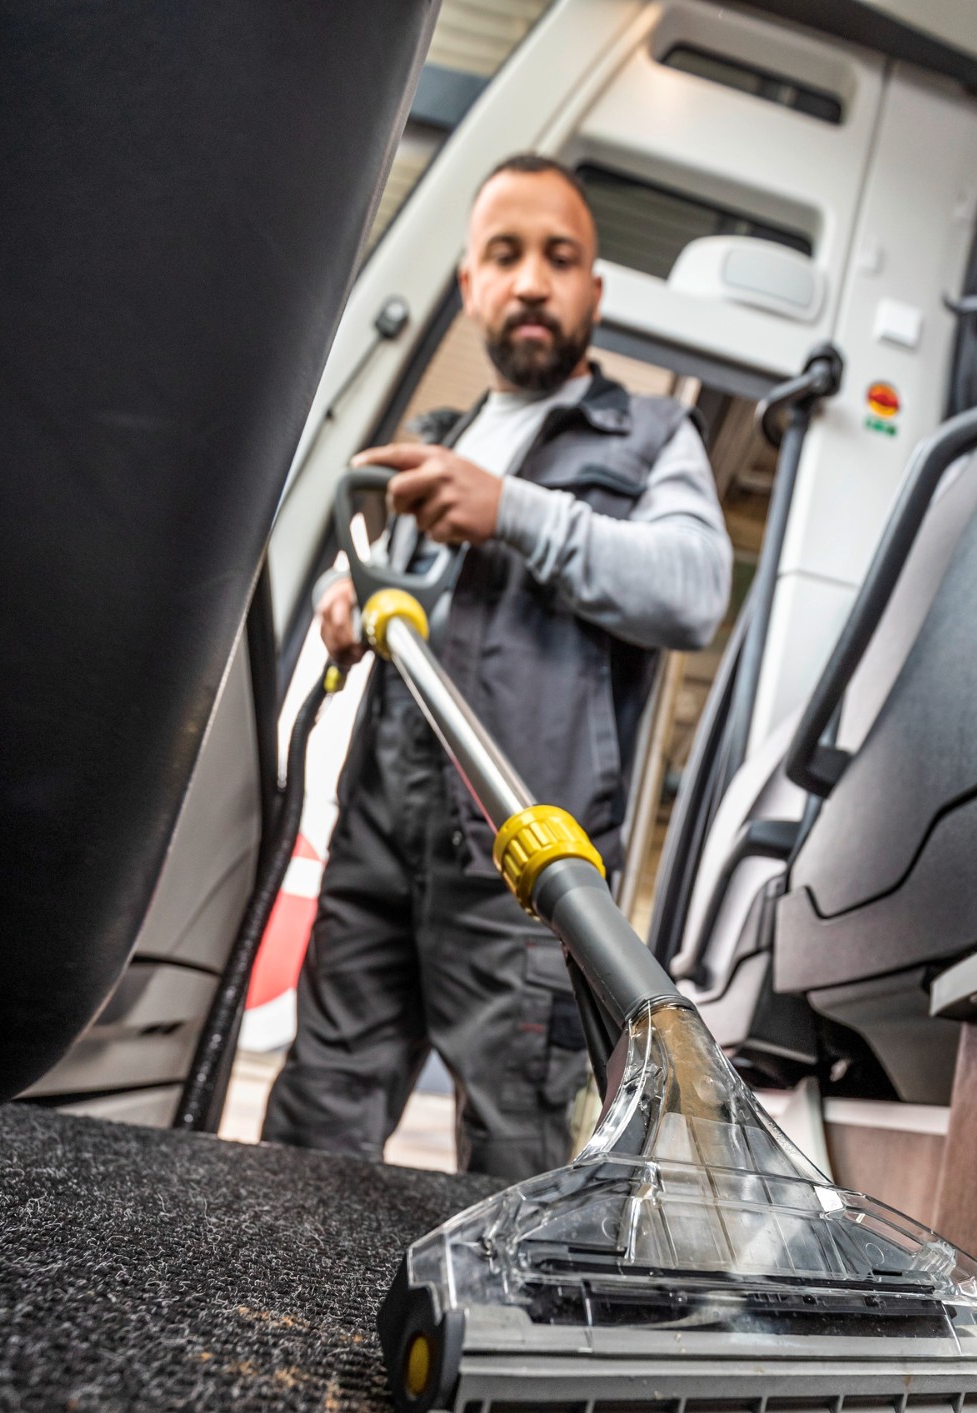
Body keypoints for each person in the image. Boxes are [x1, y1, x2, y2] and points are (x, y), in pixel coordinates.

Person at [262, 154, 733, 1176]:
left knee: (516, 1157)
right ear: (471, 284)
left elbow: (692, 588)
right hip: (378, 846)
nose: (530, 281)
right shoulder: (434, 443)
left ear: (592, 292)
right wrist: (353, 595)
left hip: (526, 865)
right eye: (505, 256)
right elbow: (408, 599)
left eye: (558, 258)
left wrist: (513, 510)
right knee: (315, 1121)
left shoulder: (650, 434)